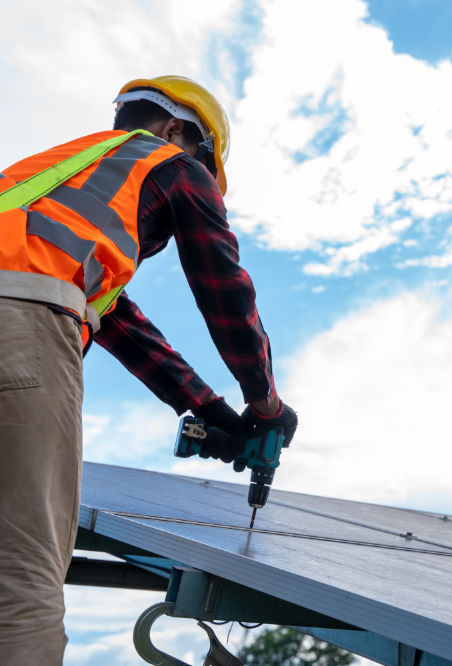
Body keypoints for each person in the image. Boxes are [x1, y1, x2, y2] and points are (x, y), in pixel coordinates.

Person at [0, 75, 297, 665]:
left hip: (25, 307)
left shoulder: (53, 184)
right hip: (22, 327)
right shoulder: (173, 164)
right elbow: (223, 287)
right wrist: (264, 403)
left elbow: (117, 320)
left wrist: (207, 409)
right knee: (21, 575)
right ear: (177, 130)